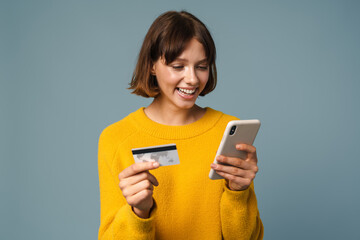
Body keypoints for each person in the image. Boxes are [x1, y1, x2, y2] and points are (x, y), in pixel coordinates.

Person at [98, 10, 264, 240]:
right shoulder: (116, 138)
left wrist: (239, 192)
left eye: (202, 66)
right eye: (178, 66)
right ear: (152, 66)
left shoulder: (227, 130)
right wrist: (139, 212)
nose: (193, 79)